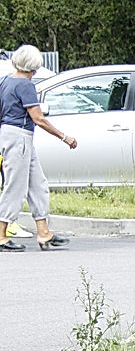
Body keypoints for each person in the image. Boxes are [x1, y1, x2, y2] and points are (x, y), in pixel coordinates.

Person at [0, 44, 76, 251]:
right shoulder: (25, 85)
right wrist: (64, 137)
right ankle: (1, 235)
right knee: (15, 187)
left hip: (11, 134)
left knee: (38, 185)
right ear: (33, 67)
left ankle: (44, 233)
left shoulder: (6, 81)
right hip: (19, 137)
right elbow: (38, 118)